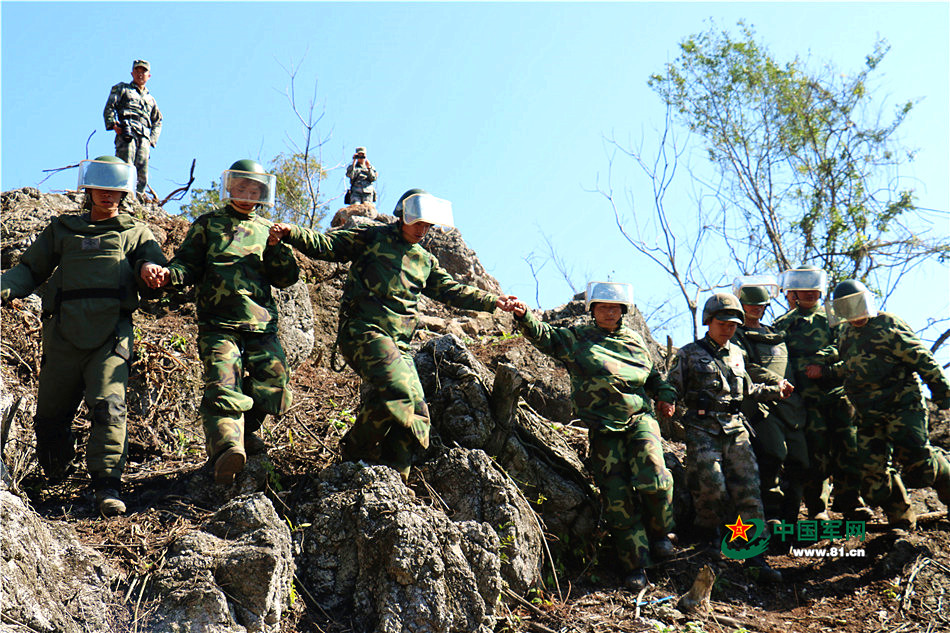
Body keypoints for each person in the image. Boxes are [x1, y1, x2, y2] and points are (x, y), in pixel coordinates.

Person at [269, 189, 515, 481]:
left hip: (400, 347)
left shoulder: (425, 261)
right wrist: (292, 232)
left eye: (428, 225)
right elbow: (327, 244)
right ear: (403, 216)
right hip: (363, 332)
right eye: (418, 223)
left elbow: (451, 290)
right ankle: (355, 450)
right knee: (399, 390)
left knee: (416, 416)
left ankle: (396, 480)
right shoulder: (372, 236)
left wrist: (492, 301)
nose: (423, 230)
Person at [0, 156, 167, 516]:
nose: (109, 195)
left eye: (116, 189)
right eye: (102, 187)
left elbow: (151, 265)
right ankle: (54, 476)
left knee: (109, 407)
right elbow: (29, 270)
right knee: (49, 417)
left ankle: (107, 486)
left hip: (111, 336)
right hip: (62, 334)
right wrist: (4, 288)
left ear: (125, 192)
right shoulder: (62, 229)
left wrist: (153, 271)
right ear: (88, 189)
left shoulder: (135, 232)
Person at [503, 282, 677, 591]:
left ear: (623, 311)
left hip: (639, 420)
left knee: (656, 475)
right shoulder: (578, 339)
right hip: (603, 428)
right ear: (592, 310)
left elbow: (652, 377)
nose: (610, 313)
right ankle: (635, 564)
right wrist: (524, 315)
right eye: (603, 307)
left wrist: (665, 396)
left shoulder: (635, 341)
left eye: (615, 308)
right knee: (617, 498)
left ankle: (661, 533)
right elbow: (546, 336)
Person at [146, 160, 300, 485]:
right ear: (229, 188)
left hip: (261, 326)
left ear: (262, 193)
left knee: (275, 389)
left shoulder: (268, 229)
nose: (246, 195)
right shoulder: (208, 224)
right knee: (222, 386)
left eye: (253, 190)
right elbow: (187, 264)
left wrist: (277, 248)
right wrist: (168, 276)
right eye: (240, 188)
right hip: (219, 325)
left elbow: (286, 278)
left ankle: (244, 430)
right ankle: (227, 449)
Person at [668, 293, 792, 583]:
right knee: (711, 486)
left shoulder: (737, 354)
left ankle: (755, 554)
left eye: (733, 324)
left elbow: (749, 389)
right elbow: (671, 387)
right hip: (703, 428)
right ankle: (709, 541)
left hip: (736, 428)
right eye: (722, 322)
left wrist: (777, 391)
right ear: (708, 322)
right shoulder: (688, 354)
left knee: (749, 490)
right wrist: (667, 404)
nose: (728, 328)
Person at [808, 280, 950, 528]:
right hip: (867, 416)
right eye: (847, 308)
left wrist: (942, 391)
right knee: (873, 480)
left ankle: (945, 470)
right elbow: (854, 366)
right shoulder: (845, 334)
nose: (854, 314)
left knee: (921, 469)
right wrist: (826, 372)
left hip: (902, 407)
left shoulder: (888, 323)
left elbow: (922, 357)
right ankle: (902, 523)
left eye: (857, 305)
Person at [773, 266, 870, 522]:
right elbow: (776, 362)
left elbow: (848, 349)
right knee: (815, 454)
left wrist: (824, 367)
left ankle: (852, 503)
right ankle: (817, 508)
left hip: (838, 394)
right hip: (806, 401)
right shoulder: (782, 325)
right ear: (792, 292)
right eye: (804, 288)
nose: (810, 292)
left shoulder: (834, 317)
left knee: (847, 447)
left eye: (814, 286)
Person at [730, 277, 809, 533]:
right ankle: (772, 514)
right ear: (740, 305)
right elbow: (744, 367)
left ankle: (791, 519)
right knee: (773, 455)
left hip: (791, 405)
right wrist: (777, 382)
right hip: (761, 404)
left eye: (761, 305)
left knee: (800, 461)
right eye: (751, 305)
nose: (756, 309)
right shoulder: (735, 335)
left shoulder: (775, 333)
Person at [103, 59, 162, 195]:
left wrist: (152, 139)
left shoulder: (150, 99)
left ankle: (138, 199)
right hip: (127, 131)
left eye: (143, 72)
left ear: (149, 76)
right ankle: (123, 196)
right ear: (132, 73)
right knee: (125, 166)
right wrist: (113, 124)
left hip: (144, 136)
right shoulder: (122, 88)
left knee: (142, 171)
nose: (140, 74)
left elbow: (158, 120)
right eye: (137, 71)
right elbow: (110, 107)